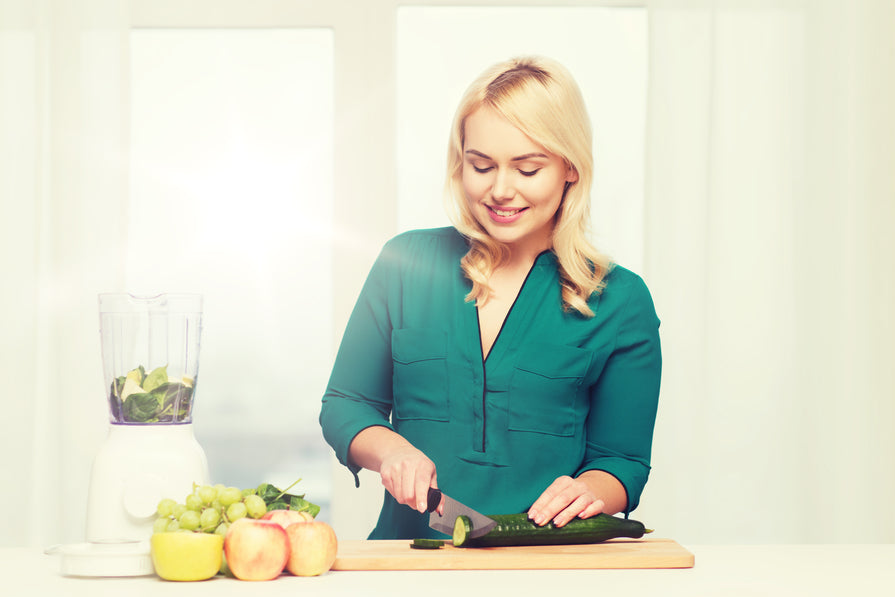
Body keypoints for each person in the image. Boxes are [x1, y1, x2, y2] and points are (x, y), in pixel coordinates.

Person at [320, 56, 661, 540]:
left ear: (570, 167)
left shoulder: (620, 300)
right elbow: (346, 404)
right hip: (406, 561)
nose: (501, 190)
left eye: (527, 168)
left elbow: (622, 460)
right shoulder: (404, 263)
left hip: (553, 567)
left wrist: (589, 490)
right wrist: (391, 451)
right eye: (482, 165)